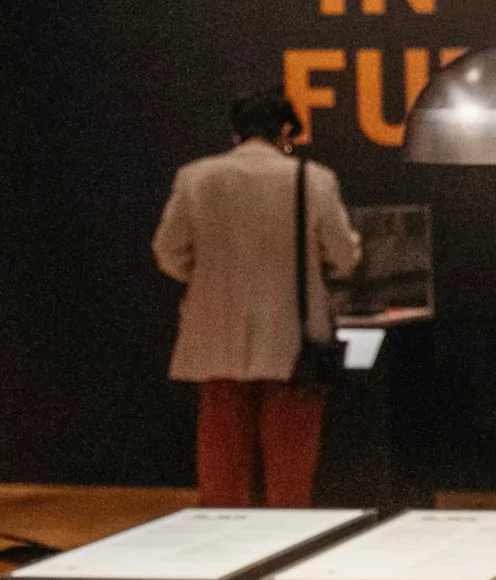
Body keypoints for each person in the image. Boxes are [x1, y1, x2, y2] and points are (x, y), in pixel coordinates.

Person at [152, 88, 360, 507]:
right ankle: (284, 546)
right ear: (286, 130)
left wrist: (207, 277)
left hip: (217, 334)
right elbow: (345, 256)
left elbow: (168, 251)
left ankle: (226, 551)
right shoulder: (311, 179)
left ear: (236, 131)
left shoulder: (196, 177)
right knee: (290, 469)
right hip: (293, 339)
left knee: (222, 464)